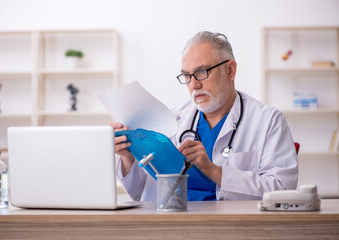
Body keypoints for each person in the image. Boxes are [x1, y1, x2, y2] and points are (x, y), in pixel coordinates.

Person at [110, 31, 298, 201]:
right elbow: (140, 193)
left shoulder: (267, 120)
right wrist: (128, 159)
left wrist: (214, 171)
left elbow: (283, 190)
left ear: (230, 70)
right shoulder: (172, 119)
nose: (194, 85)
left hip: (232, 225)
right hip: (174, 223)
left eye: (202, 72)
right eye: (186, 76)